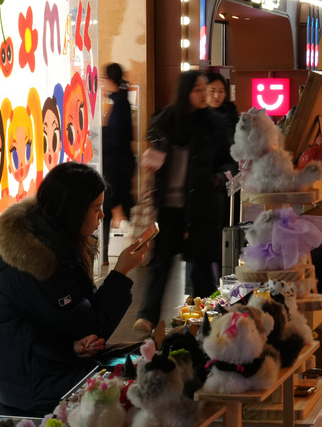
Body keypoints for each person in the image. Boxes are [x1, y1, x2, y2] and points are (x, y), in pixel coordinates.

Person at [0, 163, 147, 417]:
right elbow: (93, 326)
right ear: (74, 211)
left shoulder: (59, 243)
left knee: (148, 356)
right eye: (95, 208)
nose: (101, 216)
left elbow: (82, 319)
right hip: (31, 386)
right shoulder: (36, 263)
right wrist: (120, 273)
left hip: (55, 361)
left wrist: (74, 346)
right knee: (138, 386)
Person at [133, 70, 232, 334]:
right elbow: (152, 156)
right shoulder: (162, 122)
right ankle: (147, 317)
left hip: (201, 208)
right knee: (160, 263)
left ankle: (212, 321)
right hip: (166, 208)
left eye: (206, 89)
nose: (205, 94)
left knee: (201, 268)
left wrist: (219, 177)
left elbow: (229, 159)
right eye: (199, 89)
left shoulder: (214, 124)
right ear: (185, 92)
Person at [101, 63, 135, 229]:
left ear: (109, 80)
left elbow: (115, 138)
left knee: (112, 209)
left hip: (116, 166)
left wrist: (100, 133)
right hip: (121, 163)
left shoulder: (118, 104)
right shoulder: (121, 100)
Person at [204, 71, 238, 136]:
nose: (216, 96)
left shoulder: (230, 111)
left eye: (221, 91)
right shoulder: (197, 115)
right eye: (212, 91)